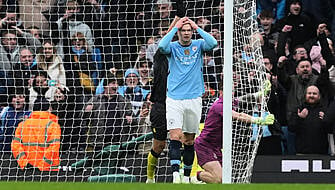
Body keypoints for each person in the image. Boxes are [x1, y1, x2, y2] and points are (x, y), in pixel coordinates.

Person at [158, 16, 217, 183]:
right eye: (182, 31)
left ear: (192, 32)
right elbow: (161, 46)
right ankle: (176, 174)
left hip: (194, 98)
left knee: (189, 139)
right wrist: (175, 27)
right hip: (174, 98)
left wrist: (197, 27)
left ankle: (186, 176)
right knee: (175, 135)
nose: (185, 33)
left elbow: (213, 43)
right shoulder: (173, 47)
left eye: (188, 31)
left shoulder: (198, 45)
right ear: (178, 33)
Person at [194, 84, 275, 183]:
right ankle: (195, 178)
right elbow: (239, 115)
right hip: (205, 145)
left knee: (225, 179)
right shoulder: (219, 105)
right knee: (219, 179)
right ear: (221, 92)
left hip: (216, 147)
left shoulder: (231, 102)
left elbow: (244, 99)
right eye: (229, 91)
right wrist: (259, 120)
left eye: (232, 91)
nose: (231, 94)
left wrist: (260, 94)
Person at [288, 85, 331, 155]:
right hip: (302, 153)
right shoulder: (299, 109)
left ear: (319, 96)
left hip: (321, 154)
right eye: (309, 93)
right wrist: (300, 118)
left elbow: (330, 130)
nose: (311, 95)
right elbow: (291, 128)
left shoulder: (325, 110)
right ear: (305, 95)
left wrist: (326, 119)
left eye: (314, 94)